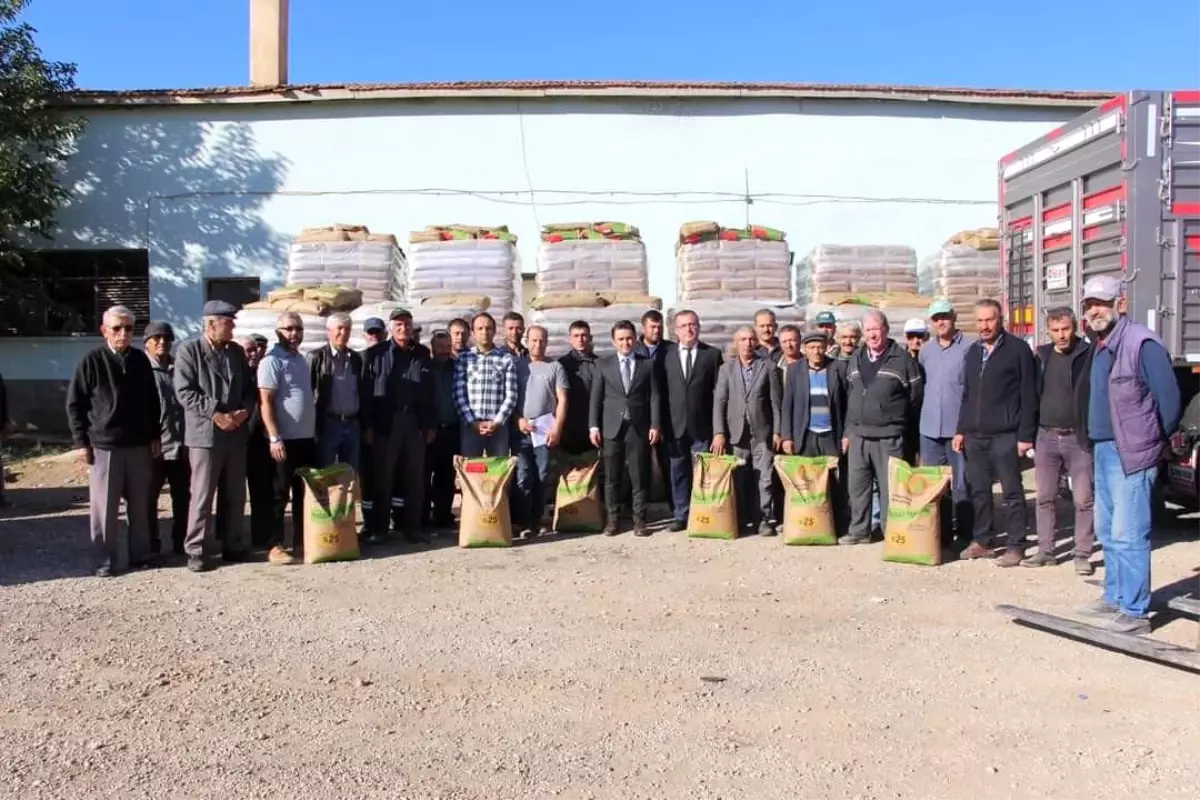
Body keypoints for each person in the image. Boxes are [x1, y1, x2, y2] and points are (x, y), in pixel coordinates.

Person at [1076, 275, 1180, 635]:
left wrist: (1152, 444)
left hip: (1131, 452)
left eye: (1101, 304)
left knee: (1129, 532)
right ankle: (1115, 598)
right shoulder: (1101, 344)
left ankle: (1135, 613)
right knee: (1108, 530)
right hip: (1104, 448)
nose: (1094, 311)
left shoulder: (1141, 343)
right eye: (1089, 305)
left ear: (1120, 304)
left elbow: (1168, 400)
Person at [66, 305, 161, 577]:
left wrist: (155, 434)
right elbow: (75, 404)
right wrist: (80, 441)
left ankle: (141, 555)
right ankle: (105, 559)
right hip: (104, 445)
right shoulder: (91, 361)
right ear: (104, 330)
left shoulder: (141, 361)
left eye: (129, 328)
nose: (123, 333)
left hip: (139, 444)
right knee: (105, 508)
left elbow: (152, 401)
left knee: (141, 504)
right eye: (117, 328)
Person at [953, 299, 1038, 564]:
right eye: (979, 321)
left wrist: (1025, 436)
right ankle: (983, 541)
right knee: (979, 489)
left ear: (1000, 319)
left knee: (1012, 491)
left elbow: (1029, 395)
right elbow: (967, 395)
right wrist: (961, 430)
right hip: (975, 436)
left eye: (989, 320)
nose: (984, 326)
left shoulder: (1018, 350)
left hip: (1006, 434)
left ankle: (1015, 544)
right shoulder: (973, 353)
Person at [174, 301, 256, 572]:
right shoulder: (189, 350)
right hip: (206, 435)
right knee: (202, 495)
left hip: (235, 434)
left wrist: (244, 411)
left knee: (235, 493)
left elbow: (248, 386)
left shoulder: (235, 351)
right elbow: (184, 392)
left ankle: (233, 543)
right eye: (228, 322)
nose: (233, 326)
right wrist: (216, 414)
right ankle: (196, 549)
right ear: (211, 324)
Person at [841, 309, 923, 545]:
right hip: (859, 435)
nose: (872, 334)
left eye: (876, 329)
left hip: (889, 436)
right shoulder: (856, 358)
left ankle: (891, 532)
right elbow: (852, 396)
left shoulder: (902, 360)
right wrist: (848, 431)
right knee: (858, 487)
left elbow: (915, 398)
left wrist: (902, 427)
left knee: (889, 489)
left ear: (886, 330)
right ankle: (859, 531)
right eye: (867, 330)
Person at [1026, 306, 1095, 574]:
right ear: (1048, 331)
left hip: (1077, 438)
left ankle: (1082, 553)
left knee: (1083, 499)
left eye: (1065, 329)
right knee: (1044, 497)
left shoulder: (1087, 355)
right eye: (1055, 331)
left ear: (1075, 327)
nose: (1061, 335)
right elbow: (1031, 396)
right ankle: (1046, 551)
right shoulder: (1041, 356)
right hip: (1046, 436)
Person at [361, 307, 436, 544]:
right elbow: (366, 394)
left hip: (414, 423)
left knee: (414, 477)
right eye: (398, 325)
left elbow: (431, 391)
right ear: (391, 328)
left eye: (407, 324)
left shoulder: (423, 354)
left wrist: (430, 424)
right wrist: (368, 426)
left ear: (412, 328)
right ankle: (380, 528)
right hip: (386, 423)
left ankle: (411, 527)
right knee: (384, 476)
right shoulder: (376, 354)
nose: (403, 328)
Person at [589, 320, 661, 537]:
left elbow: (655, 397)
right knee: (612, 476)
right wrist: (593, 426)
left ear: (635, 338)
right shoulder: (604, 365)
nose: (625, 343)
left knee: (639, 475)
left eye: (629, 338)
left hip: (638, 427)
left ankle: (640, 520)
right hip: (612, 427)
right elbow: (596, 398)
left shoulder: (647, 364)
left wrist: (655, 424)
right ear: (613, 341)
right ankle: (613, 520)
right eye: (621, 339)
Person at [258, 312, 318, 565]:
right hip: (284, 441)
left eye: (298, 329)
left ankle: (303, 541)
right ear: (278, 331)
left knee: (305, 493)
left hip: (305, 439)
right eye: (289, 329)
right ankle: (274, 545)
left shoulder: (301, 360)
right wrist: (274, 437)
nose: (294, 334)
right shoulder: (271, 362)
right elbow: (266, 402)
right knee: (279, 493)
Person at [713, 326, 783, 536]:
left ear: (757, 342)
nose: (747, 343)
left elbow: (775, 403)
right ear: (736, 343)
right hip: (736, 433)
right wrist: (719, 432)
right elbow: (720, 402)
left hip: (762, 432)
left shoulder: (768, 367)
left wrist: (777, 431)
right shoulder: (726, 369)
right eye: (743, 339)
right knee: (740, 478)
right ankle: (741, 519)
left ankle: (764, 519)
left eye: (751, 339)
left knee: (765, 479)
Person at [660, 309, 722, 532]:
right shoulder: (665, 356)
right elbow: (660, 393)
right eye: (684, 325)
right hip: (674, 426)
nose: (689, 329)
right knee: (678, 472)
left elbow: (718, 394)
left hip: (702, 426)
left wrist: (718, 429)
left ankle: (703, 514)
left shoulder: (711, 355)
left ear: (699, 327)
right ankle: (681, 514)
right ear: (676, 330)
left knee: (703, 473)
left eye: (693, 324)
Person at [918, 299, 972, 546]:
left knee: (961, 484)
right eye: (936, 318)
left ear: (954, 317)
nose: (941, 322)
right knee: (934, 486)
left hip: (956, 430)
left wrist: (965, 428)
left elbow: (973, 391)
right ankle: (940, 535)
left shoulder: (970, 348)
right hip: (929, 430)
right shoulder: (926, 351)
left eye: (945, 317)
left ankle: (964, 535)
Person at [513, 325, 568, 537]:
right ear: (526, 341)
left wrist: (557, 429)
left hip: (544, 431)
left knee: (543, 475)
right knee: (523, 475)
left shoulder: (555, 367)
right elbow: (508, 397)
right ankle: (524, 522)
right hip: (521, 430)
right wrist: (518, 420)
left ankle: (538, 519)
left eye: (542, 340)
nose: (538, 344)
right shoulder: (517, 365)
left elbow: (562, 399)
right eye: (534, 340)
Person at [143, 321, 189, 558]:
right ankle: (151, 544)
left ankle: (182, 543)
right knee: (148, 499)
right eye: (157, 338)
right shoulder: (140, 369)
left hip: (181, 446)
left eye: (167, 339)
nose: (163, 342)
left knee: (183, 498)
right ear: (147, 342)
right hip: (154, 448)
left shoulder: (178, 368)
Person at [453, 312, 519, 457]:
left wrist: (497, 422)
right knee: (471, 471)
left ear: (494, 331)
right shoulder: (464, 359)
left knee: (498, 473)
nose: (485, 332)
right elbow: (459, 393)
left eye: (488, 328)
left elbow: (511, 395)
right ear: (473, 333)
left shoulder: (506, 359)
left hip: (498, 428)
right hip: (471, 426)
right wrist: (472, 422)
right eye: (480, 328)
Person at [307, 312, 363, 471]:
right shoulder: (316, 357)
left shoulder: (355, 359)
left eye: (347, 329)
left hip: (352, 425)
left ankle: (345, 497)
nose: (343, 333)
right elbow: (308, 392)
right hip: (329, 424)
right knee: (324, 472)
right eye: (339, 328)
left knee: (349, 473)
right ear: (328, 331)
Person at [635, 309, 671, 512]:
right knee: (640, 463)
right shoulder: (634, 349)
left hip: (666, 413)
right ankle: (638, 508)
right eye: (653, 327)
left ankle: (675, 506)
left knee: (667, 461)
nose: (657, 331)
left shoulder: (670, 349)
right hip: (640, 414)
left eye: (660, 327)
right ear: (644, 328)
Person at [424, 329, 460, 529]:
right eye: (441, 347)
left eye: (448, 347)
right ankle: (424, 515)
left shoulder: (457, 368)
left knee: (446, 475)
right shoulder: (425, 369)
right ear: (432, 348)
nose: (445, 351)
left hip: (451, 428)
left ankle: (443, 514)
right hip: (430, 429)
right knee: (425, 473)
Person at [357, 317, 387, 525]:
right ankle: (369, 521)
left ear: (385, 334)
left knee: (387, 475)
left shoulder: (391, 358)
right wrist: (365, 425)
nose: (374, 336)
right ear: (364, 335)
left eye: (378, 332)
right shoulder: (358, 359)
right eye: (371, 332)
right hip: (364, 426)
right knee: (367, 476)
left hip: (386, 427)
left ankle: (385, 520)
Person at [559, 320, 600, 456]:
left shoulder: (600, 364)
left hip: (593, 427)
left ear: (590, 338)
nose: (580, 339)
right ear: (570, 339)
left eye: (584, 335)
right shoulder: (561, 365)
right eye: (576, 336)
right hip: (569, 428)